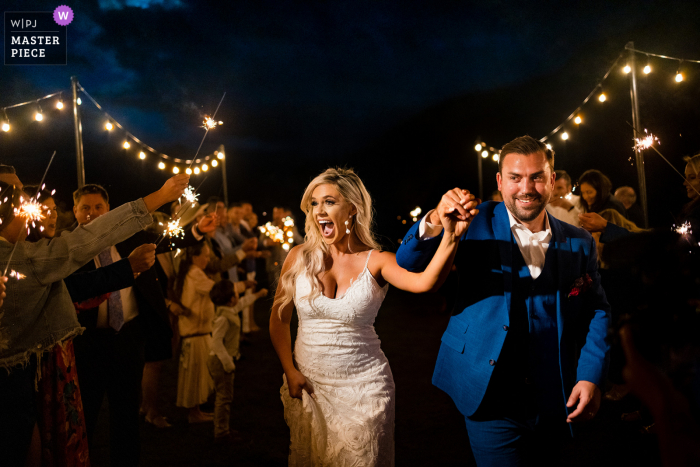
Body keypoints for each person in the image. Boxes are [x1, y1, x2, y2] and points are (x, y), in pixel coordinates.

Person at [396, 136, 611, 465]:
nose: (526, 187)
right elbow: (408, 264)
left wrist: (590, 374)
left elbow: (597, 309)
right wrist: (436, 220)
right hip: (489, 392)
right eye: (515, 177)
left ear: (553, 180)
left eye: (537, 176)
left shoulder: (580, 241)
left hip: (556, 392)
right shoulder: (472, 220)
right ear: (500, 181)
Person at [269, 167, 474, 466]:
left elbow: (426, 282)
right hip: (309, 384)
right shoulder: (298, 256)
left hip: (365, 389)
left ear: (352, 208)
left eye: (329, 202)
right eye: (314, 203)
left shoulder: (377, 261)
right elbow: (279, 318)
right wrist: (290, 370)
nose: (318, 211)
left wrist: (451, 237)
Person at [0, 172, 188, 467]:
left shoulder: (25, 254)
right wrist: (159, 197)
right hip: (48, 363)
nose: (33, 213)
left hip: (125, 338)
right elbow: (79, 264)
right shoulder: (29, 257)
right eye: (22, 202)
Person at [208, 280, 268, 442]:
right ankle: (221, 433)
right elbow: (216, 342)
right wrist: (228, 363)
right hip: (221, 362)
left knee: (226, 396)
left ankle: (223, 428)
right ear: (230, 299)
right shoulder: (222, 318)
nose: (238, 295)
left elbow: (242, 304)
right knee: (223, 397)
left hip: (223, 361)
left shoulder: (228, 310)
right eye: (235, 293)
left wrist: (257, 294)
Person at [174, 241, 216, 423]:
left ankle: (197, 410)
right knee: (195, 374)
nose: (208, 259)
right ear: (194, 257)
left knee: (198, 373)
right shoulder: (195, 274)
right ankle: (194, 413)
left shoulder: (191, 273)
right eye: (205, 255)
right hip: (195, 333)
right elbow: (215, 290)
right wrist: (241, 286)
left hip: (197, 332)